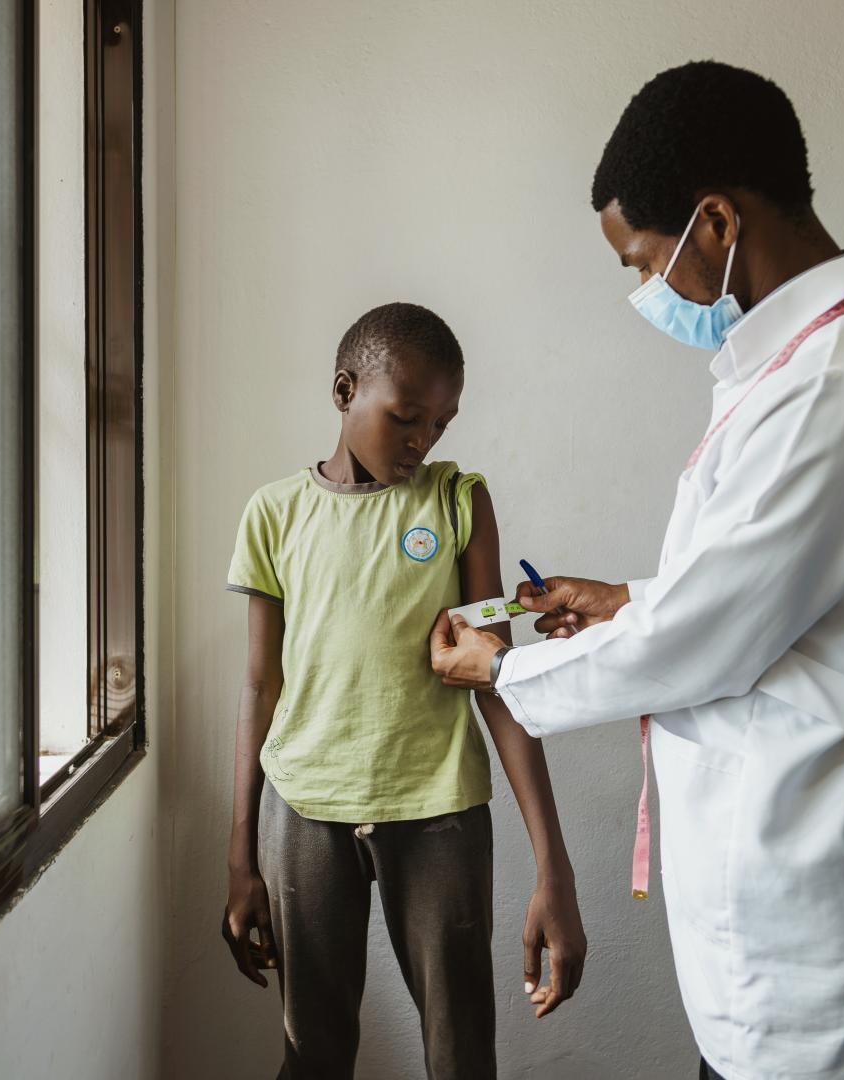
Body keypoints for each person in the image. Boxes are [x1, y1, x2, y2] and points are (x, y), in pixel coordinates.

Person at [429, 62, 844, 1080]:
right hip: (790, 872)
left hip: (802, 906)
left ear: (716, 223)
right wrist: (633, 599)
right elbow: (767, 597)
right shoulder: (812, 362)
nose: (649, 292)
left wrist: (503, 671)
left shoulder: (838, 385)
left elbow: (706, 635)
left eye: (645, 261)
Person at [221, 302, 586, 1079]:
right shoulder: (275, 515)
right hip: (305, 809)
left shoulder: (457, 501)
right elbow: (261, 685)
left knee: (460, 1053)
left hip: (437, 814)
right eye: (407, 417)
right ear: (345, 391)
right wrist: (238, 858)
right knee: (312, 1050)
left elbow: (499, 683)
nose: (423, 442)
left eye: (441, 426)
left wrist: (555, 865)